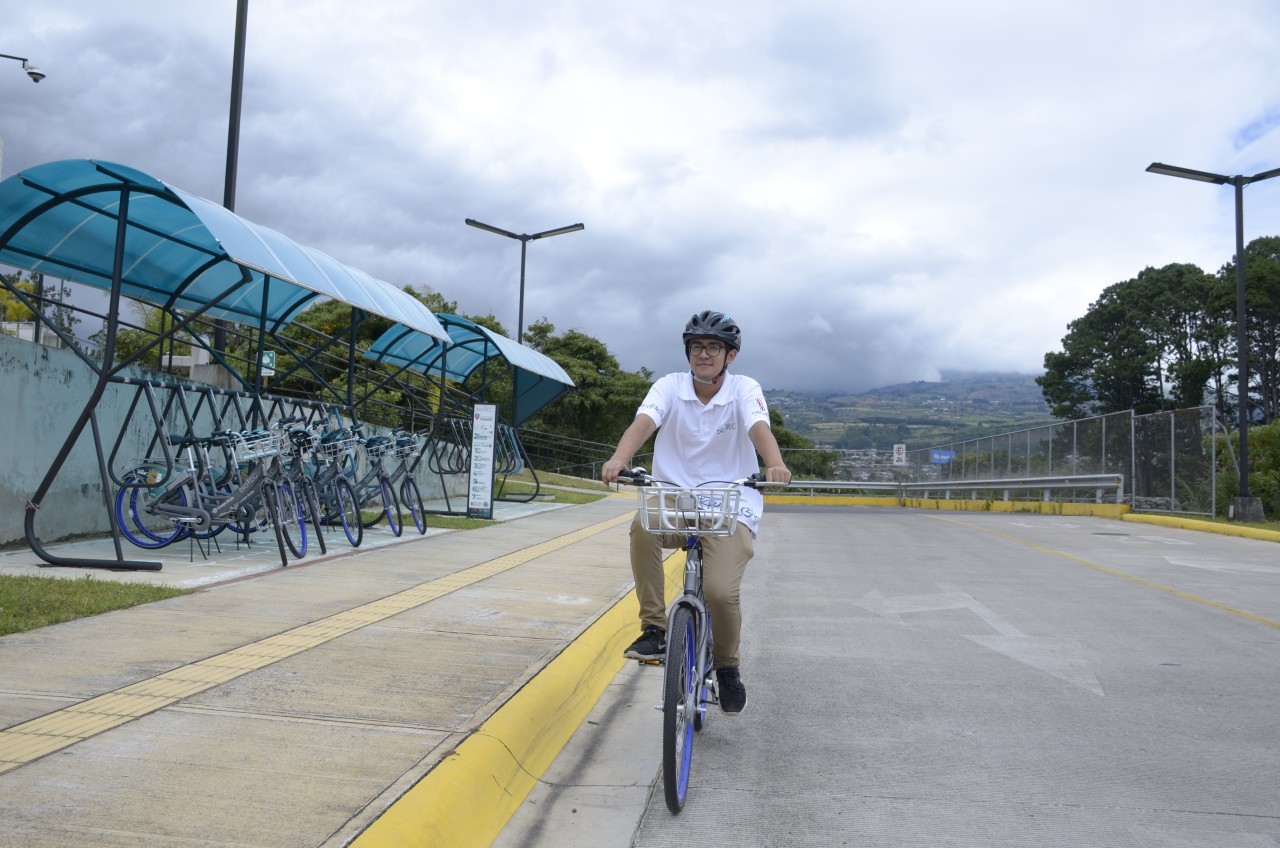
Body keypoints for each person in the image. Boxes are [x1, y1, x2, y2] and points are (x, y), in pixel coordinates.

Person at [602, 309, 792, 715]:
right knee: (642, 528)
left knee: (721, 591)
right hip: (674, 498)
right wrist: (620, 458)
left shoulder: (744, 388)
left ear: (730, 355)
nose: (703, 354)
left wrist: (774, 463)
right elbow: (644, 422)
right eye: (696, 346)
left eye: (713, 347)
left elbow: (760, 428)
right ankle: (654, 629)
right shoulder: (670, 386)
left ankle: (727, 668)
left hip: (730, 503)